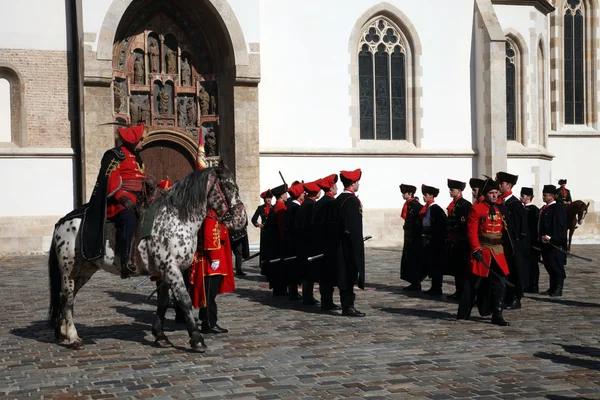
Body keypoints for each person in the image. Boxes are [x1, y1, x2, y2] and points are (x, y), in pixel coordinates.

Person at [80, 123, 150, 279]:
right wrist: (120, 197)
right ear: (133, 140)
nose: (143, 143)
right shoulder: (115, 155)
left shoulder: (137, 157)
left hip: (139, 201)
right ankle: (124, 259)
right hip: (119, 203)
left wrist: (151, 184)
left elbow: (139, 177)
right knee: (129, 219)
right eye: (141, 140)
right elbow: (109, 178)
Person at [457, 177, 511, 326]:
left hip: (498, 251)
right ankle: (464, 312)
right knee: (474, 284)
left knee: (500, 283)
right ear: (485, 194)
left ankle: (497, 313)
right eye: (492, 193)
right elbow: (471, 231)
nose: (495, 195)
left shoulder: (501, 207)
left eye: (496, 192)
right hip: (483, 250)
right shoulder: (477, 208)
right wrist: (475, 249)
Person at [189, 208, 236, 334]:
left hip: (216, 259)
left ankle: (207, 321)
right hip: (211, 262)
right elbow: (210, 235)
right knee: (209, 295)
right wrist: (214, 257)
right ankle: (209, 323)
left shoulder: (214, 214)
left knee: (210, 295)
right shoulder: (211, 214)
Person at [325, 169, 365, 317]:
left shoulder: (338, 200)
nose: (358, 184)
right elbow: (354, 228)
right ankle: (348, 306)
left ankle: (346, 305)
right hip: (349, 246)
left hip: (338, 244)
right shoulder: (351, 201)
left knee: (342, 275)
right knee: (349, 274)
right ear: (353, 183)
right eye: (357, 182)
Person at [495, 171, 528, 310]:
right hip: (503, 244)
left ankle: (515, 298)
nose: (499, 186)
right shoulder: (501, 202)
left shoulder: (515, 205)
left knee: (514, 271)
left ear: (508, 185)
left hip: (514, 245)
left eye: (501, 183)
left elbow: (521, 228)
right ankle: (507, 297)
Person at [312, 174, 340, 311]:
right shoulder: (330, 202)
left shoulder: (320, 202)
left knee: (324, 275)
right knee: (327, 274)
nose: (337, 187)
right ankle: (327, 302)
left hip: (319, 243)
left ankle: (326, 300)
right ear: (331, 186)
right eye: (335, 185)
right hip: (327, 243)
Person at [295, 181, 322, 305]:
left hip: (302, 242)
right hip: (309, 243)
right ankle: (308, 296)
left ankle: (307, 295)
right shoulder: (311, 206)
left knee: (306, 272)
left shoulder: (305, 204)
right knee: (309, 272)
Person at [539, 184, 568, 296]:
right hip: (546, 244)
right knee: (549, 265)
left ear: (551, 196)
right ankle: (552, 288)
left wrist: (552, 237)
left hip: (555, 244)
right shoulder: (545, 208)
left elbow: (560, 226)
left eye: (545, 195)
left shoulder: (558, 208)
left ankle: (558, 289)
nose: (543, 197)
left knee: (557, 266)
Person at [446, 179, 472, 300]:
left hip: (462, 241)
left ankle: (463, 291)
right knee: (456, 268)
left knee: (462, 269)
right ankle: (458, 290)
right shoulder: (455, 204)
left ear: (459, 191)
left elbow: (464, 224)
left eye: (452, 190)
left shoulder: (464, 205)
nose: (450, 192)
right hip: (454, 241)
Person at [420, 184, 448, 295]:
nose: (423, 197)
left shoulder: (436, 209)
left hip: (436, 241)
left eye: (425, 195)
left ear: (431, 196)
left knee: (436, 265)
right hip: (429, 240)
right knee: (431, 264)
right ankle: (434, 286)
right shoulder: (429, 208)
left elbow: (441, 226)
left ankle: (437, 287)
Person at [262, 184, 288, 295]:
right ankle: (279, 289)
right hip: (278, 242)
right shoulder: (280, 207)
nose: (287, 195)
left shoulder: (277, 206)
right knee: (279, 266)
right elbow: (282, 226)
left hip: (274, 242)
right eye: (285, 193)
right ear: (282, 196)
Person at [283, 182, 306, 300]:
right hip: (294, 242)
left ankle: (293, 290)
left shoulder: (290, 206)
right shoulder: (296, 208)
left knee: (292, 267)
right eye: (302, 193)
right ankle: (293, 292)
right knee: (294, 268)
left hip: (290, 241)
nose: (304, 194)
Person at [399, 184, 424, 291]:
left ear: (410, 194)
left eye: (404, 193)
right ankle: (413, 282)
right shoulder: (408, 204)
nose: (402, 195)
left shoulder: (415, 204)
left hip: (414, 237)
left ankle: (416, 282)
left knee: (414, 260)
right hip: (409, 236)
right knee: (409, 259)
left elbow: (422, 216)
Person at [520, 187, 540, 293]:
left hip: (531, 242)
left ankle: (533, 285)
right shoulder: (521, 208)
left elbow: (534, 228)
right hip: (523, 243)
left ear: (528, 197)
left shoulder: (533, 210)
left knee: (533, 264)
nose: (520, 197)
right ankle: (526, 284)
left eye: (523, 196)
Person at [252, 190, 273, 270]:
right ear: (264, 199)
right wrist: (258, 225)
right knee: (264, 248)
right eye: (267, 198)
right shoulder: (260, 208)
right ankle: (263, 266)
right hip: (264, 230)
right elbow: (254, 219)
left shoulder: (274, 207)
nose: (269, 200)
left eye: (270, 198)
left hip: (272, 230)